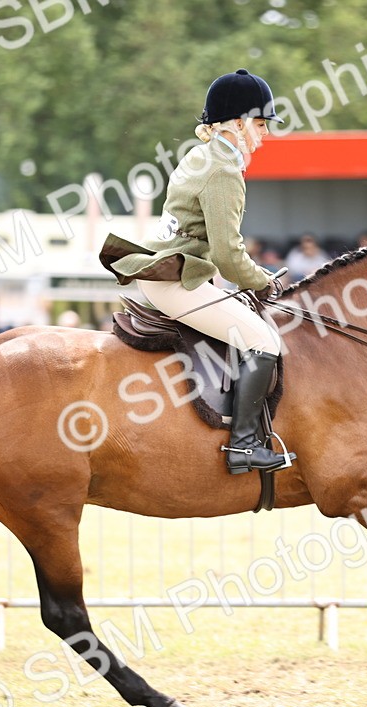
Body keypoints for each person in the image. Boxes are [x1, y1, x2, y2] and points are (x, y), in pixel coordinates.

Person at [99, 69, 294, 475]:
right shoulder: (223, 170)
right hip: (178, 282)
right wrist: (264, 280)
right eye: (259, 125)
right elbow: (227, 252)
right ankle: (243, 446)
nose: (264, 135)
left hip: (170, 274)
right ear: (237, 124)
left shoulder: (199, 155)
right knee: (263, 340)